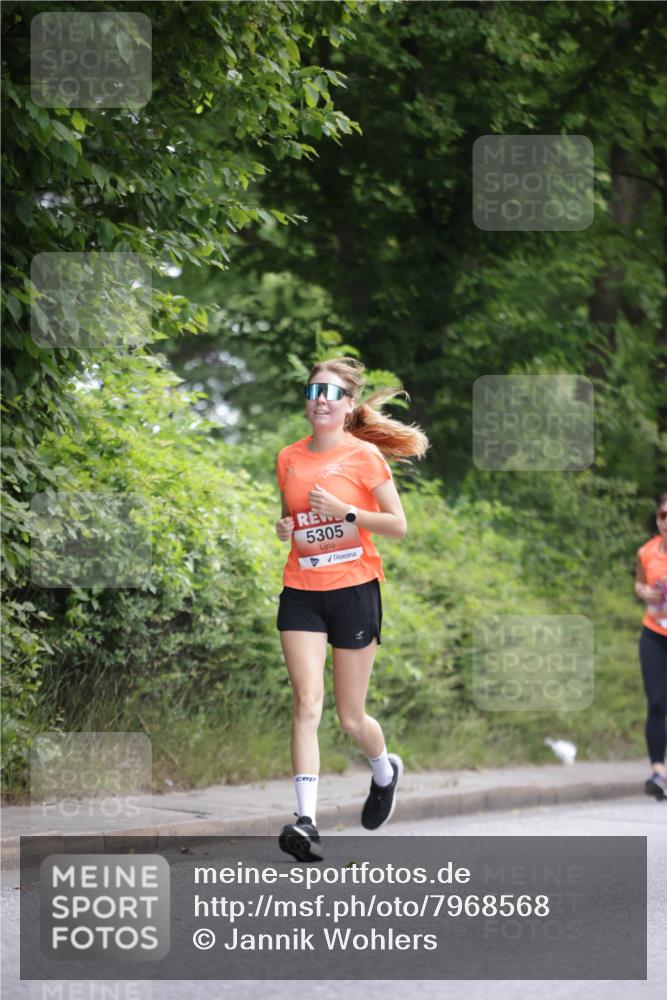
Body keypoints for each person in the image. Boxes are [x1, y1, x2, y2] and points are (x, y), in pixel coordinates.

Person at [274, 356, 429, 861]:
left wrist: (346, 513)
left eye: (331, 392)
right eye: (313, 389)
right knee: (306, 703)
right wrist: (285, 527)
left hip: (354, 589)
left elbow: (398, 524)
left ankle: (384, 770)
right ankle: (306, 822)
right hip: (302, 590)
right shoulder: (288, 458)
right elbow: (292, 518)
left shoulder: (365, 458)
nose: (320, 397)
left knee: (350, 717)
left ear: (347, 407)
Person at [634, 491, 667, 801]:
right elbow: (640, 583)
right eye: (663, 515)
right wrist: (644, 592)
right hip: (655, 632)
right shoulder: (646, 552)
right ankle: (658, 771)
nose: (666, 522)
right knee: (657, 702)